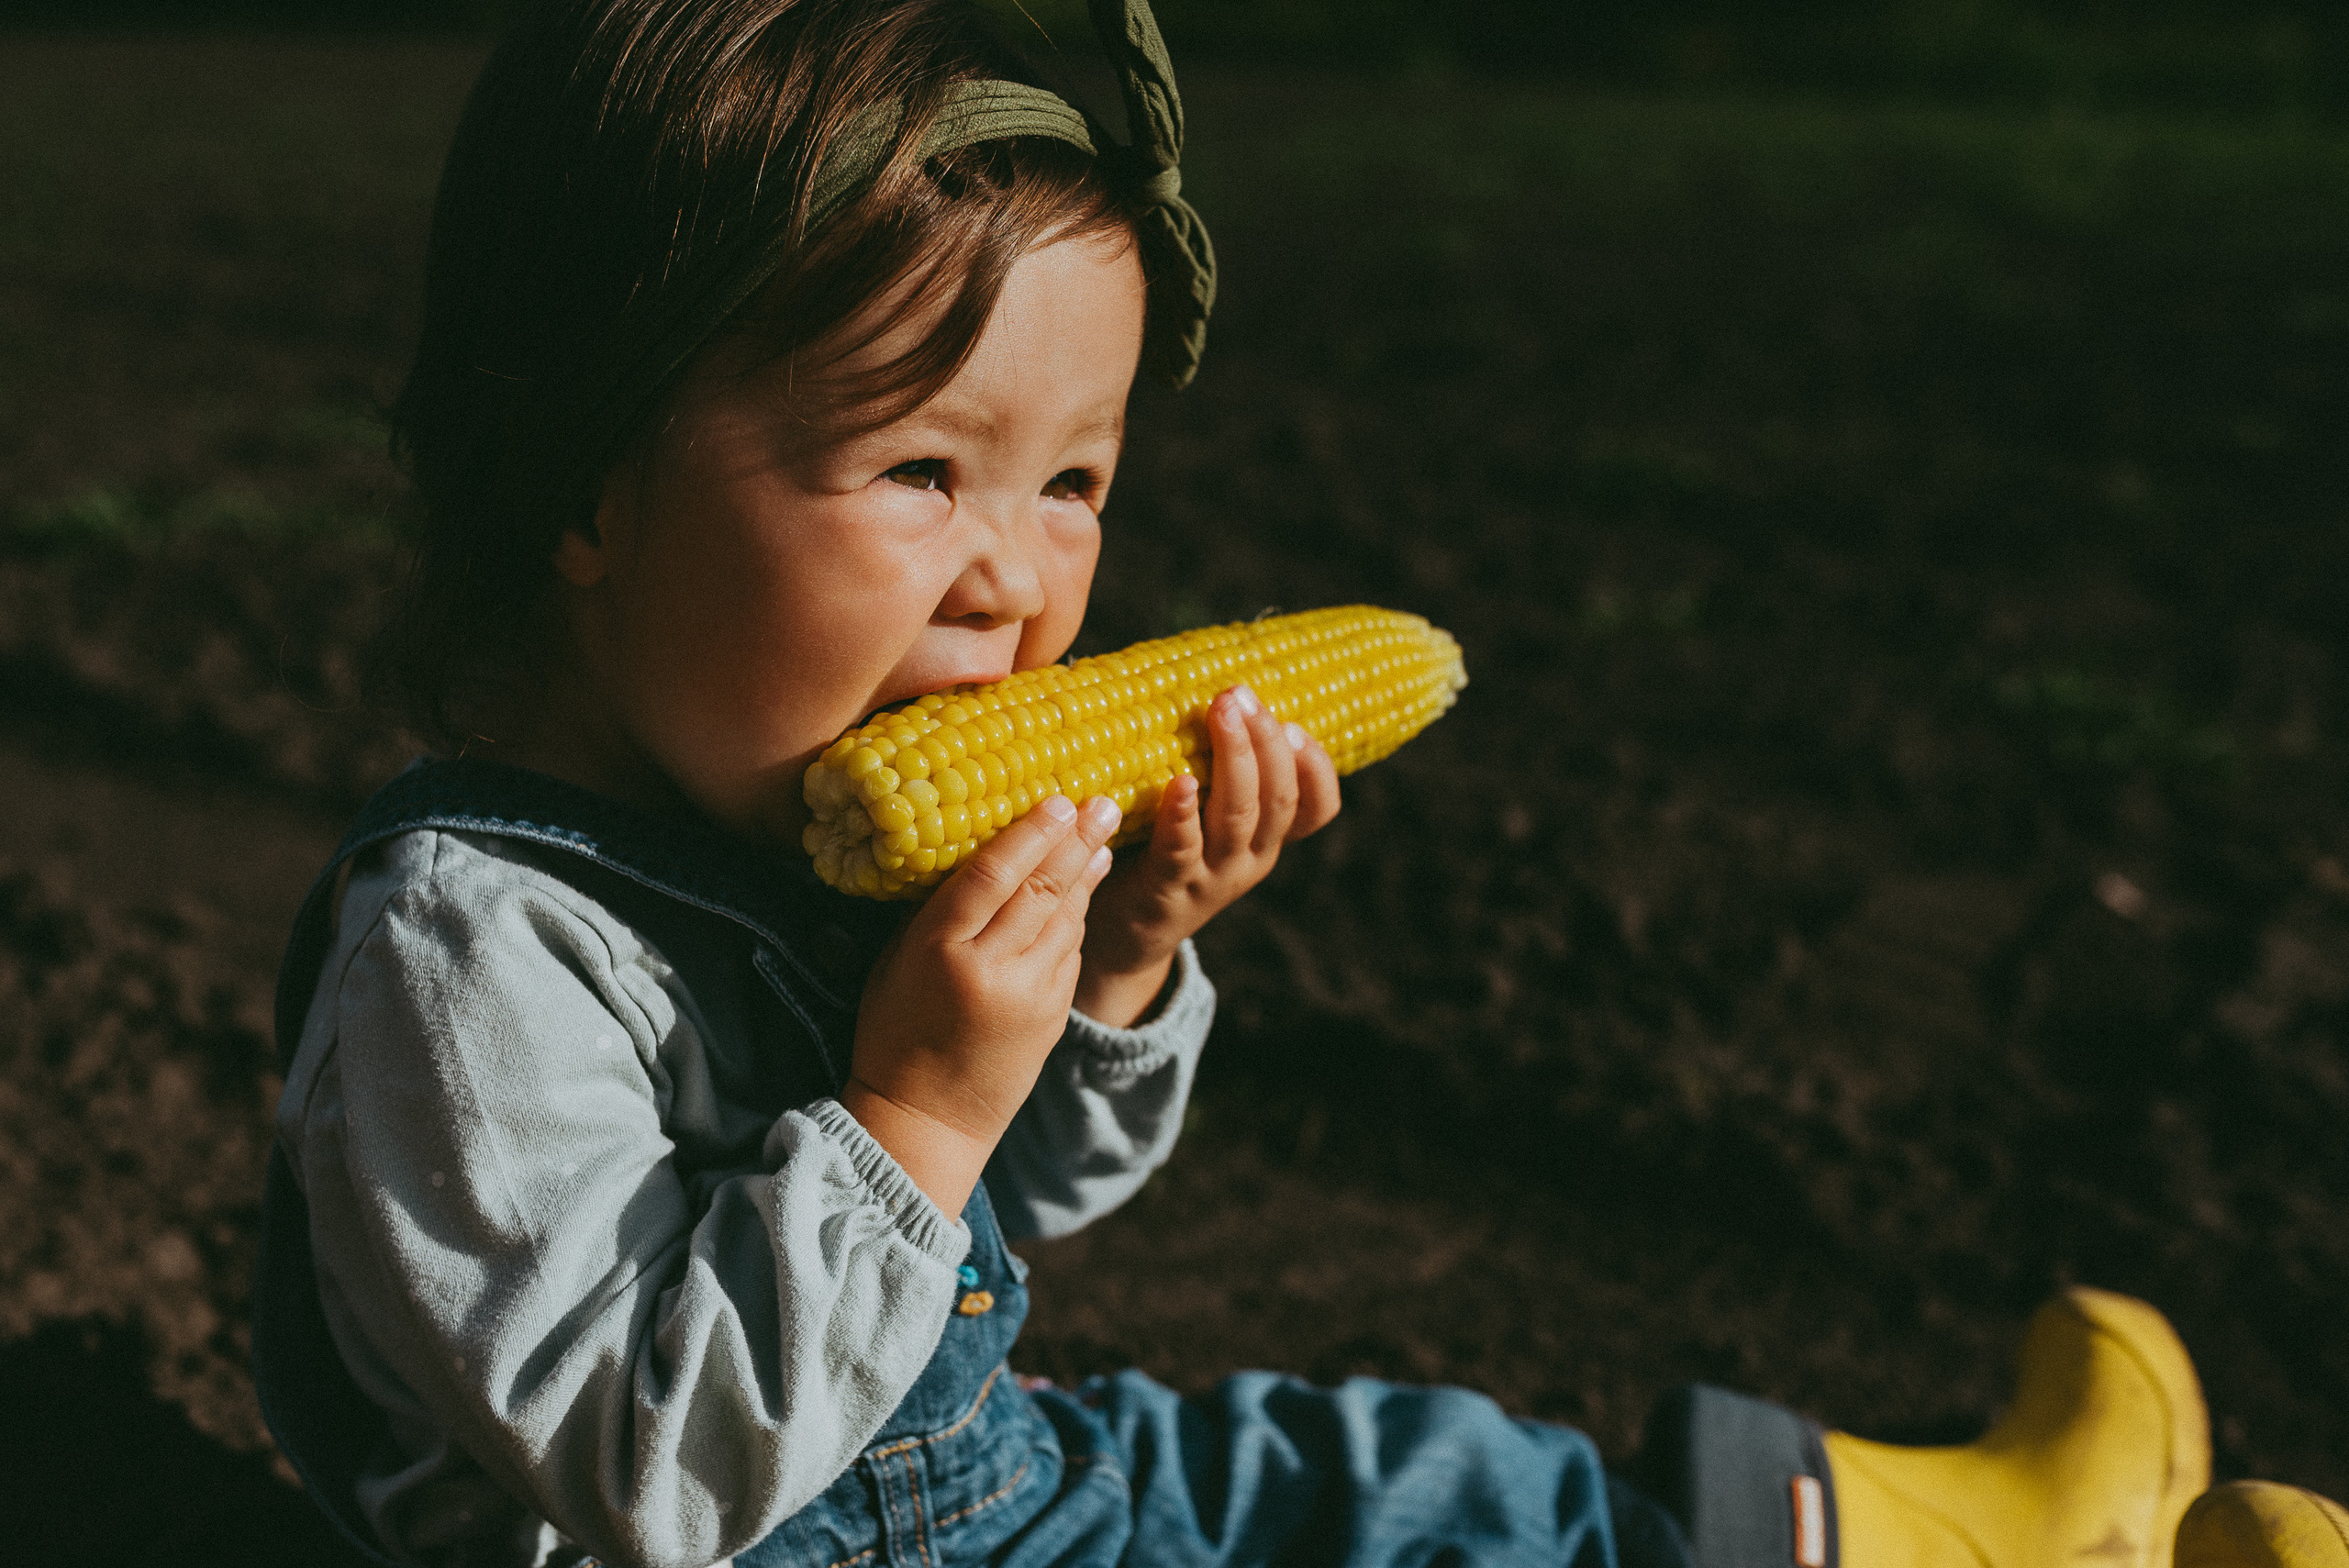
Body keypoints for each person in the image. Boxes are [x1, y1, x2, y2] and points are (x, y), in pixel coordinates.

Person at [249, 2, 2303, 1565]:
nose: (1014, 577)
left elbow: (1001, 1218)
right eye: (916, 473)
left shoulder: (769, 802)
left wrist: (1111, 974)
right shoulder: (471, 953)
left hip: (974, 1499)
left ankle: (1957, 1525)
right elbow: (650, 1465)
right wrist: (910, 1100)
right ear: (580, 487)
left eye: (1072, 485)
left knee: (1399, 1476)